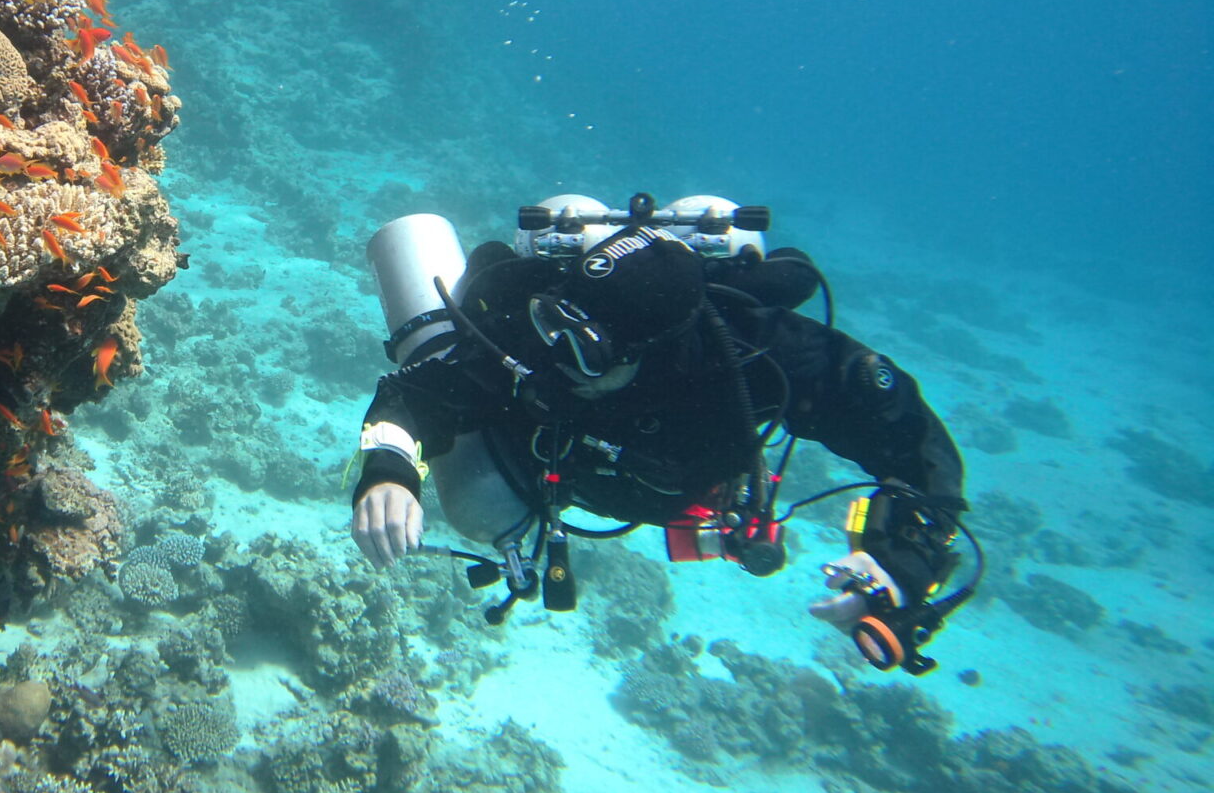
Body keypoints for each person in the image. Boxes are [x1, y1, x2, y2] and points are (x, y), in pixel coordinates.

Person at [350, 209, 968, 661]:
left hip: (687, 478)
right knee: (483, 502)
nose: (556, 357)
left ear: (655, 352)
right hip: (548, 465)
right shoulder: (538, 338)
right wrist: (388, 471)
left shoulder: (753, 353)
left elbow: (908, 435)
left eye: (586, 352)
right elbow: (412, 393)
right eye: (552, 324)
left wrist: (902, 561)